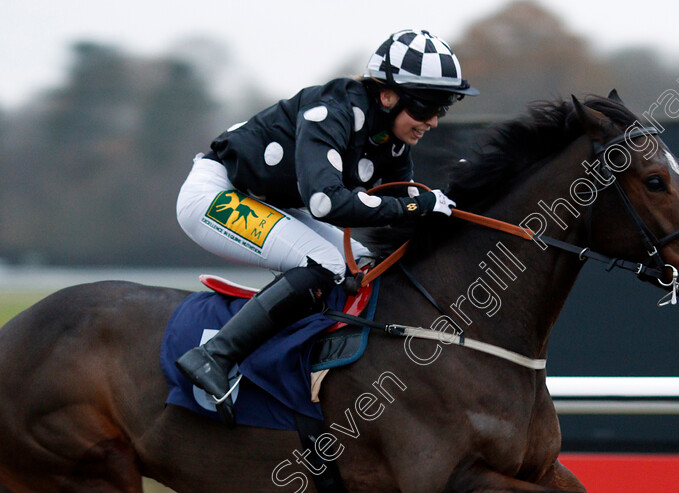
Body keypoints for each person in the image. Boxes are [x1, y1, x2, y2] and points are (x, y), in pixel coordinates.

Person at [174, 29, 478, 426]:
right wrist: (417, 204)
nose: (434, 121)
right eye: (426, 107)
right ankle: (215, 354)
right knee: (325, 262)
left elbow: (404, 213)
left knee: (365, 264)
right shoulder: (329, 110)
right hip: (215, 194)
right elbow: (326, 203)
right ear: (387, 95)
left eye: (445, 107)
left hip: (270, 202)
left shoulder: (394, 139)